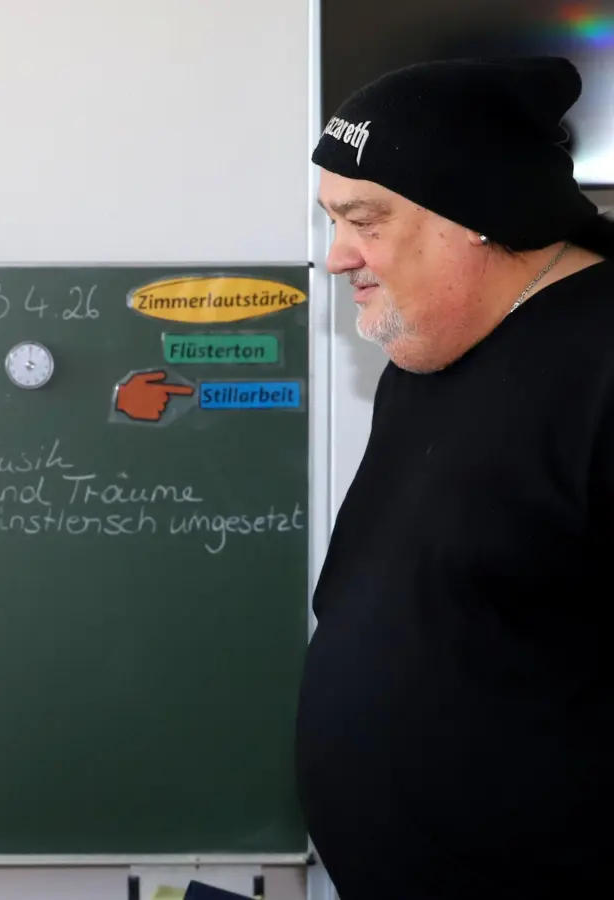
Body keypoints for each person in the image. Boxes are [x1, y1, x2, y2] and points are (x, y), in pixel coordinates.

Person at [297, 57, 614, 898]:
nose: (336, 258)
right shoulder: (425, 354)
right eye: (332, 220)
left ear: (477, 214)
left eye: (362, 219)